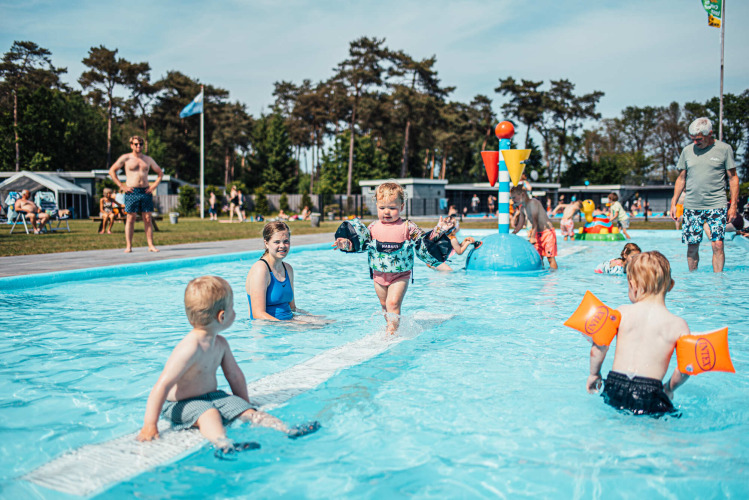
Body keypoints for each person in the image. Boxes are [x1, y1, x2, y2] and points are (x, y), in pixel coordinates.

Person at [136, 276, 319, 456]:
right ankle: (223, 445)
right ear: (222, 316)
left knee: (247, 411)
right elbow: (162, 385)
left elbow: (234, 376)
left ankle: (286, 430)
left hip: (213, 396)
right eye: (233, 308)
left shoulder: (220, 343)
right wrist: (150, 425)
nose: (235, 312)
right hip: (181, 404)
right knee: (209, 414)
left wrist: (243, 401)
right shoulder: (189, 348)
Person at [333, 182, 454, 334]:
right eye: (382, 208)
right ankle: (391, 326)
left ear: (402, 207)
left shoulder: (408, 227)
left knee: (393, 302)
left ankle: (392, 331)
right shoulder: (372, 227)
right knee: (384, 305)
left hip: (400, 274)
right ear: (376, 206)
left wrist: (438, 230)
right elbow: (361, 245)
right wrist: (345, 243)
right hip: (378, 274)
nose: (387, 212)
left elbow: (424, 240)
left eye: (392, 208)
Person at [587, 251, 690, 416]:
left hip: (615, 385)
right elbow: (685, 368)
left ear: (633, 286)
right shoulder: (677, 325)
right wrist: (669, 388)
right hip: (650, 391)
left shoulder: (620, 313)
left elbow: (598, 347)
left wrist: (594, 374)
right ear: (671, 285)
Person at [670, 117, 739, 272]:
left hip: (717, 204)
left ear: (710, 134)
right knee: (692, 246)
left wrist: (733, 205)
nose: (695, 142)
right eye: (692, 139)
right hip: (692, 206)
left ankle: (717, 282)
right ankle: (694, 280)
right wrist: (674, 203)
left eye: (699, 139)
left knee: (718, 244)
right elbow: (681, 178)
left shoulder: (724, 149)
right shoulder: (687, 151)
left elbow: (733, 178)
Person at [108, 135, 163, 253]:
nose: (139, 146)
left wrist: (153, 186)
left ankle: (151, 245)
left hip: (145, 191)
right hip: (131, 191)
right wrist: (122, 186)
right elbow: (112, 171)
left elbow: (160, 173)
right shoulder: (126, 158)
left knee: (147, 218)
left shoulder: (148, 159)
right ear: (131, 145)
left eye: (141, 144)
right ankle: (129, 246)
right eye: (136, 144)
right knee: (130, 218)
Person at [511, 185, 557, 269]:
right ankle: (541, 277)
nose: (513, 200)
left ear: (522, 194)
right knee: (538, 259)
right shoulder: (522, 209)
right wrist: (512, 234)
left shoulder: (533, 202)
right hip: (537, 234)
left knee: (550, 258)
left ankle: (553, 279)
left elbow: (535, 221)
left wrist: (532, 237)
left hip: (547, 233)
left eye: (514, 197)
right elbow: (520, 225)